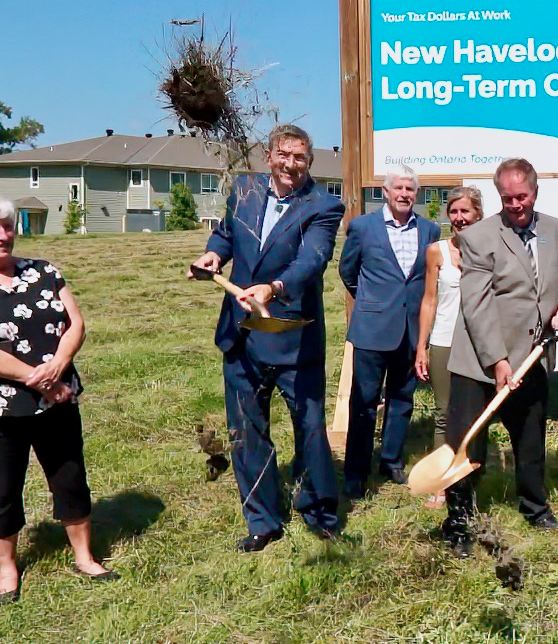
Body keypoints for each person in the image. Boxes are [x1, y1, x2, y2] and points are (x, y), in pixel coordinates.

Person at [0, 192, 114, 604]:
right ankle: (8, 569)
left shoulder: (44, 271)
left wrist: (60, 364)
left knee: (69, 476)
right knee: (1, 486)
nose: (4, 235)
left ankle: (85, 556)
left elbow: (75, 323)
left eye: (8, 226)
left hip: (58, 397)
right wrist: (40, 379)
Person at [190, 123, 345, 552]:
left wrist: (273, 289)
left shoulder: (324, 205)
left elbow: (312, 261)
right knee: (246, 430)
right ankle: (262, 520)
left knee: (310, 429)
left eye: (299, 157)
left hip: (293, 336)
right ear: (270, 156)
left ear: (309, 161)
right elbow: (227, 234)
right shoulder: (244, 190)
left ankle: (319, 512)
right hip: (241, 336)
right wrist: (213, 255)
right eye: (284, 155)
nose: (290, 164)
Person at [440, 158, 558, 556]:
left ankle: (536, 509)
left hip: (532, 358)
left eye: (522, 196)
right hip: (480, 362)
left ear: (535, 192)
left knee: (531, 439)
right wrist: (497, 361)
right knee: (468, 443)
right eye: (507, 198)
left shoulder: (556, 229)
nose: (516, 205)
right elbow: (476, 304)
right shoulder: (479, 236)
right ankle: (458, 522)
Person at [339, 165, 440, 498]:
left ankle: (391, 460)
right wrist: (372, 302)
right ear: (385, 191)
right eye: (398, 188)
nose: (404, 194)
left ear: (416, 194)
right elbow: (348, 271)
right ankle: (356, 472)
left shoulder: (429, 230)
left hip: (411, 330)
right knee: (364, 402)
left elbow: (428, 279)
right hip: (372, 330)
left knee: (402, 399)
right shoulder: (363, 227)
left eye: (410, 189)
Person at [414, 186, 484, 509]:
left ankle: (471, 478)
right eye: (453, 212)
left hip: (478, 344)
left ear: (477, 214)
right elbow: (429, 300)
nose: (459, 218)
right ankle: (441, 484)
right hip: (443, 340)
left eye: (465, 211)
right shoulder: (436, 251)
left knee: (475, 415)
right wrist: (421, 346)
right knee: (444, 413)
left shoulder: (489, 250)